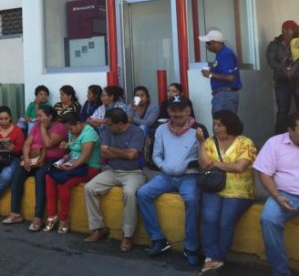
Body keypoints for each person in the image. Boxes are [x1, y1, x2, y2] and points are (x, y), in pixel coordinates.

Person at [136, 96, 208, 266]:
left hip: (189, 176)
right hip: (166, 176)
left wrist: (186, 166)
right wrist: (164, 167)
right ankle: (158, 239)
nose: (177, 113)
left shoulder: (199, 129)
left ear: (188, 111)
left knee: (191, 199)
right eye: (173, 110)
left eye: (181, 109)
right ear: (168, 111)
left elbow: (205, 156)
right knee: (143, 193)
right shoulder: (161, 129)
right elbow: (156, 154)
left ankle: (190, 247)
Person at [195, 110, 257, 275]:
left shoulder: (245, 143)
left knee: (225, 222)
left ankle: (218, 259)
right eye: (214, 124)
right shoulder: (209, 141)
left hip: (239, 191)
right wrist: (201, 143)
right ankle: (210, 259)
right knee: (209, 219)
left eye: (220, 124)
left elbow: (239, 167)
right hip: (214, 187)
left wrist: (214, 164)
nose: (216, 128)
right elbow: (203, 164)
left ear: (230, 125)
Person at [83, 108, 145, 252]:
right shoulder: (107, 130)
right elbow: (105, 154)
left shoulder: (137, 132)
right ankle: (98, 228)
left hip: (133, 172)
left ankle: (128, 235)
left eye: (110, 124)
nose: (107, 126)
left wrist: (112, 149)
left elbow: (132, 155)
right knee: (89, 188)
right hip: (112, 171)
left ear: (121, 124)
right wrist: (122, 153)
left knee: (129, 194)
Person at [3, 105, 67, 231]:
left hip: (51, 160)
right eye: (37, 116)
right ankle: (15, 213)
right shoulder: (36, 127)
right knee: (18, 172)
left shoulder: (59, 127)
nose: (37, 119)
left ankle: (38, 218)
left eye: (41, 116)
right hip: (34, 159)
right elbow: (27, 143)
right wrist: (26, 158)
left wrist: (43, 128)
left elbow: (48, 143)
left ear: (49, 116)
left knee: (40, 176)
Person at [255, 113, 299, 276]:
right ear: (290, 130)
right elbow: (264, 173)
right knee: (269, 219)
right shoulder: (275, 143)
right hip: (284, 194)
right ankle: (280, 272)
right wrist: (276, 196)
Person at [44, 113, 101, 234]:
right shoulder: (72, 132)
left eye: (71, 128)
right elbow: (74, 150)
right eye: (68, 129)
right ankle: (52, 215)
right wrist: (67, 153)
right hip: (73, 164)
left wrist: (70, 168)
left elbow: (85, 156)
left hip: (89, 167)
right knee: (49, 177)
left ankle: (64, 219)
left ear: (78, 124)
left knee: (63, 183)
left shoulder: (89, 133)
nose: (69, 131)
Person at [199, 28, 242, 114]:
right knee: (221, 124)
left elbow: (230, 77)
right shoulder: (221, 54)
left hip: (225, 95)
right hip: (222, 95)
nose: (206, 46)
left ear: (216, 42)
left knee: (222, 124)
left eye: (208, 43)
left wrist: (210, 74)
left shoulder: (225, 54)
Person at [266, 20, 298, 134]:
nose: (295, 31)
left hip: (296, 81)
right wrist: (285, 70)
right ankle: (279, 138)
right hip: (282, 82)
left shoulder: (297, 42)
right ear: (284, 30)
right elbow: (271, 61)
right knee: (283, 111)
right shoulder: (274, 44)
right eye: (292, 29)